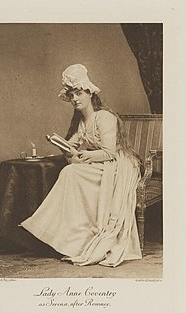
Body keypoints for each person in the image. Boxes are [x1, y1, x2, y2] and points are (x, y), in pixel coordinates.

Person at [20, 64, 142, 267]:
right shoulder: (82, 123)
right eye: (71, 95)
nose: (74, 99)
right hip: (101, 163)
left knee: (71, 173)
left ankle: (74, 235)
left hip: (119, 165)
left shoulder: (104, 117)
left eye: (78, 94)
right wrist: (62, 145)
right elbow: (72, 146)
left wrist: (84, 155)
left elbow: (110, 152)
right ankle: (72, 239)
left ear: (90, 94)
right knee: (71, 171)